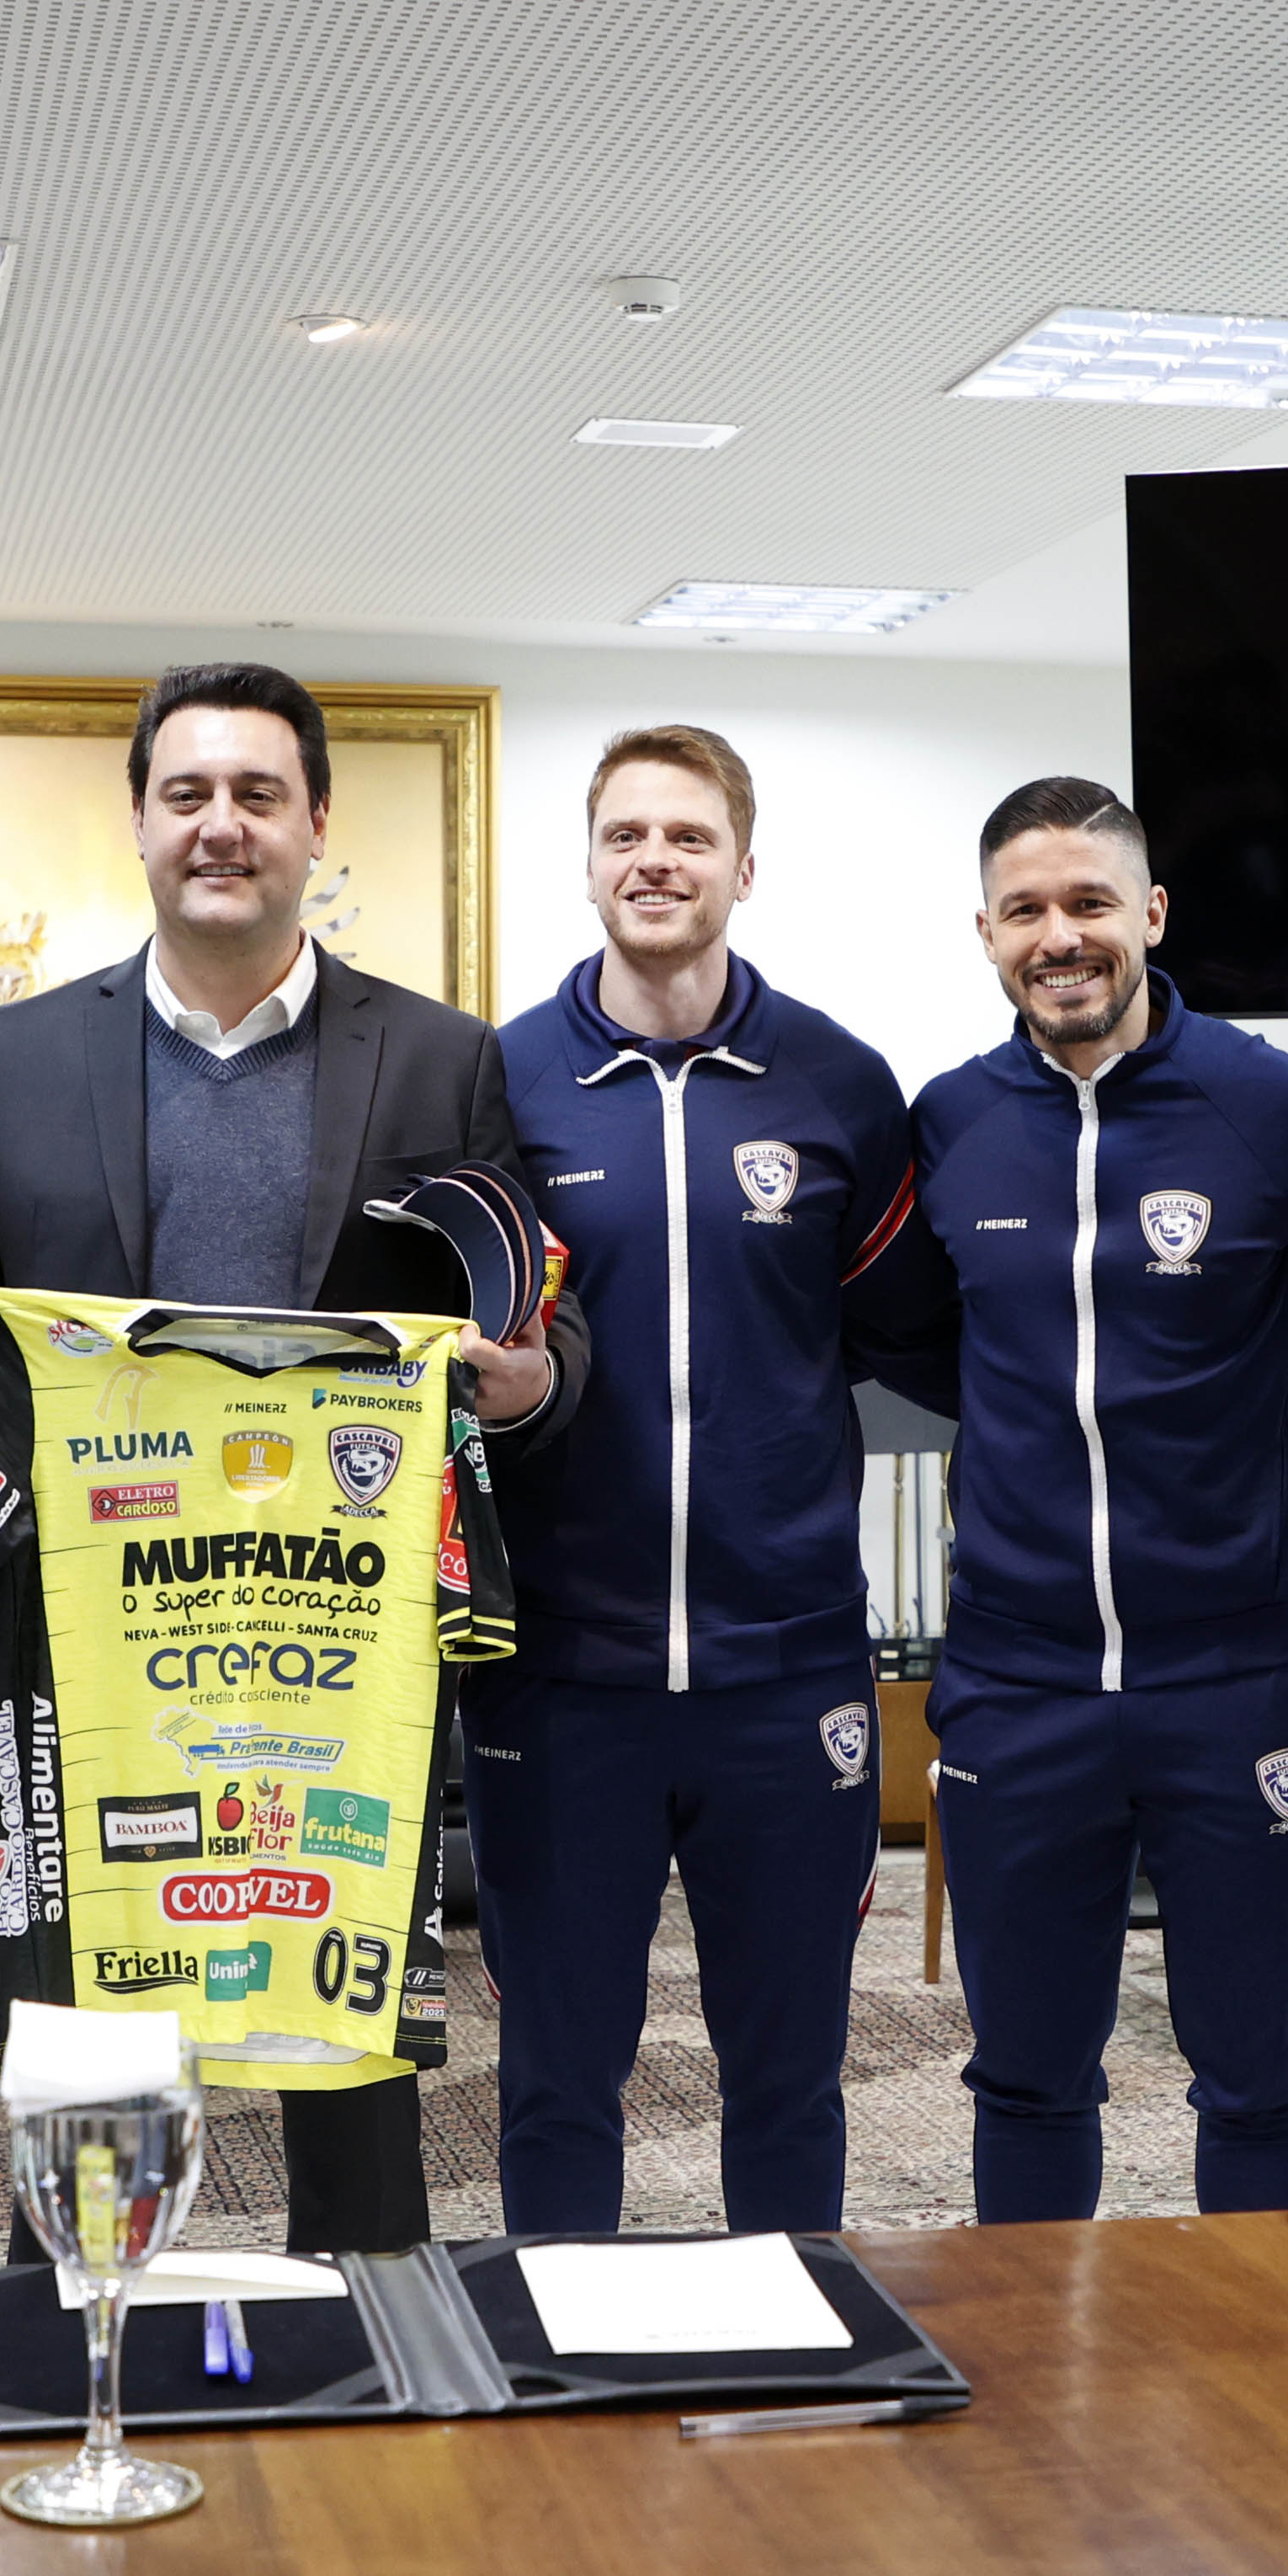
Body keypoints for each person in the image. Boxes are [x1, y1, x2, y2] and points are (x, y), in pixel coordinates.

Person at [0, 661, 583, 2250]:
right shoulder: (25, 1053)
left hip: (343, 1624)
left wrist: (524, 1383)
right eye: (188, 793)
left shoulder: (443, 1057)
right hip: (91, 1625)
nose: (222, 826)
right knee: (88, 2017)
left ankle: (371, 2340)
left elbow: (533, 1301)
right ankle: (85, 2325)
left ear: (317, 823)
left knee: (350, 2044)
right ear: (137, 821)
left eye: (260, 794)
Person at [860, 776, 1288, 2220]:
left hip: (1234, 1680)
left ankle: (1255, 2407)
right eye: (1027, 911)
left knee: (1260, 2074)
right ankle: (1032, 2415)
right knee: (1027, 2075)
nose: (1061, 936)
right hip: (1017, 1683)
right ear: (987, 933)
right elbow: (920, 1342)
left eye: (1090, 904)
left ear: (1151, 915)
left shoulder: (1280, 1111)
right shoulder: (949, 1127)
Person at [474, 723, 921, 2233]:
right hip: (558, 1672)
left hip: (786, 1673)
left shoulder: (840, 1084)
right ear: (589, 863)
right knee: (554, 2073)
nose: (654, 861)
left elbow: (908, 1329)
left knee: (789, 2073)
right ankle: (560, 2360)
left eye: (686, 836)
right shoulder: (505, 1080)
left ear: (743, 863)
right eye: (624, 836)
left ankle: (790, 2353)